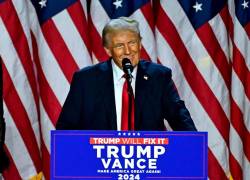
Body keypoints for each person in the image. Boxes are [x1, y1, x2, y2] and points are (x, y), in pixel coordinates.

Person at [56, 17, 197, 131]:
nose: (128, 51)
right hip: (98, 162)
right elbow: (66, 128)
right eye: (119, 46)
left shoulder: (158, 77)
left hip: (148, 162)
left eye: (132, 43)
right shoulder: (86, 80)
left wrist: (194, 146)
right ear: (108, 50)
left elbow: (180, 119)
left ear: (140, 44)